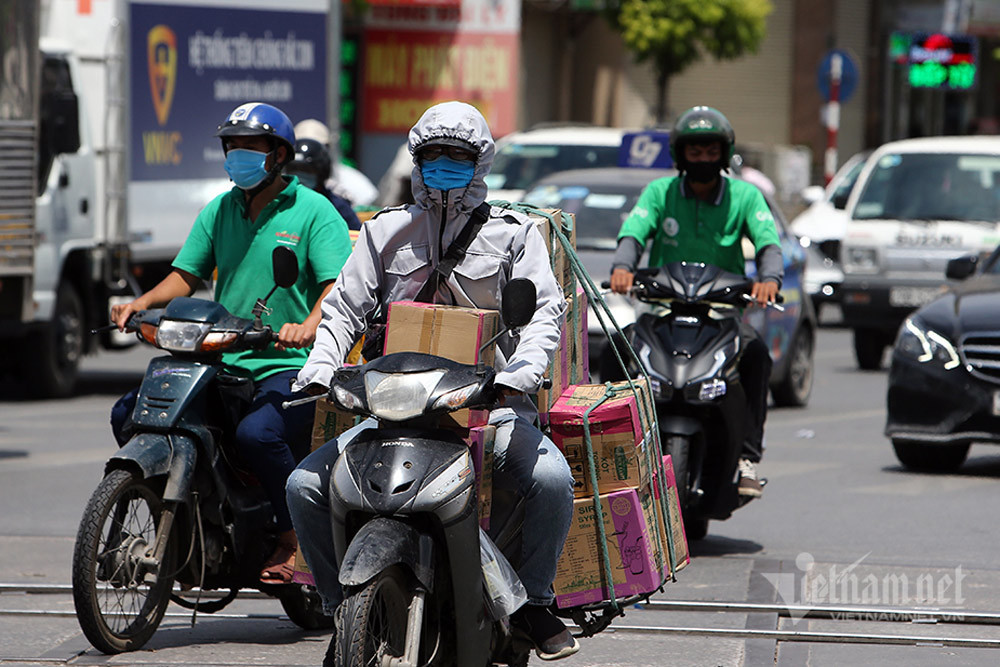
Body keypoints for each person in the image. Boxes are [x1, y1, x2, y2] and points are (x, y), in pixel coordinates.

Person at [285, 101, 580, 663]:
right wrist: (321, 366)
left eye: (457, 157)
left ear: (480, 163)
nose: (443, 166)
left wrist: (521, 374)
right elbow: (344, 308)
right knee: (303, 486)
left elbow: (544, 311)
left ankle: (535, 604)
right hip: (394, 406)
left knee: (549, 479)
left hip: (487, 404)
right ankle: (341, 607)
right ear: (417, 162)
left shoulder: (515, 236)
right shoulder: (386, 232)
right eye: (433, 156)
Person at [109, 102, 353, 585]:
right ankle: (185, 510)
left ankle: (293, 536)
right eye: (232, 147)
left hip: (289, 361)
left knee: (257, 435)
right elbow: (186, 274)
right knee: (128, 413)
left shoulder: (314, 211)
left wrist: (307, 323)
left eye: (250, 147)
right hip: (221, 356)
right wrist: (142, 304)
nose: (237, 156)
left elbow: (337, 285)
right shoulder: (220, 209)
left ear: (279, 154)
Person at [609, 105, 783, 498]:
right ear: (679, 155)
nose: (703, 159)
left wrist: (769, 279)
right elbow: (634, 232)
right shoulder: (659, 192)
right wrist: (623, 267)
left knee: (756, 357)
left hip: (722, 315)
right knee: (615, 350)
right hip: (662, 310)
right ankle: (608, 448)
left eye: (710, 151)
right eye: (694, 152)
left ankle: (747, 458)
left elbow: (768, 242)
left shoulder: (745, 195)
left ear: (723, 154)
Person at [283, 137, 363, 231]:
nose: (299, 176)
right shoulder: (279, 203)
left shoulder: (337, 207)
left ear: (322, 173)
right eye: (294, 169)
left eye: (306, 170)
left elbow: (356, 237)